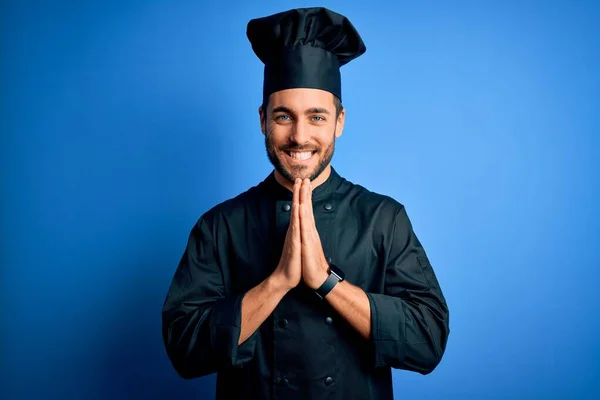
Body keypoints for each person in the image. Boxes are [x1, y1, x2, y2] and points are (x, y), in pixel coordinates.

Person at [162, 7, 449, 400]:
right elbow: (183, 348)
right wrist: (278, 281)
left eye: (316, 117)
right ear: (263, 119)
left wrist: (326, 282)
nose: (299, 136)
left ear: (339, 121)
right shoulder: (220, 226)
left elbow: (428, 341)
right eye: (284, 116)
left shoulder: (383, 219)